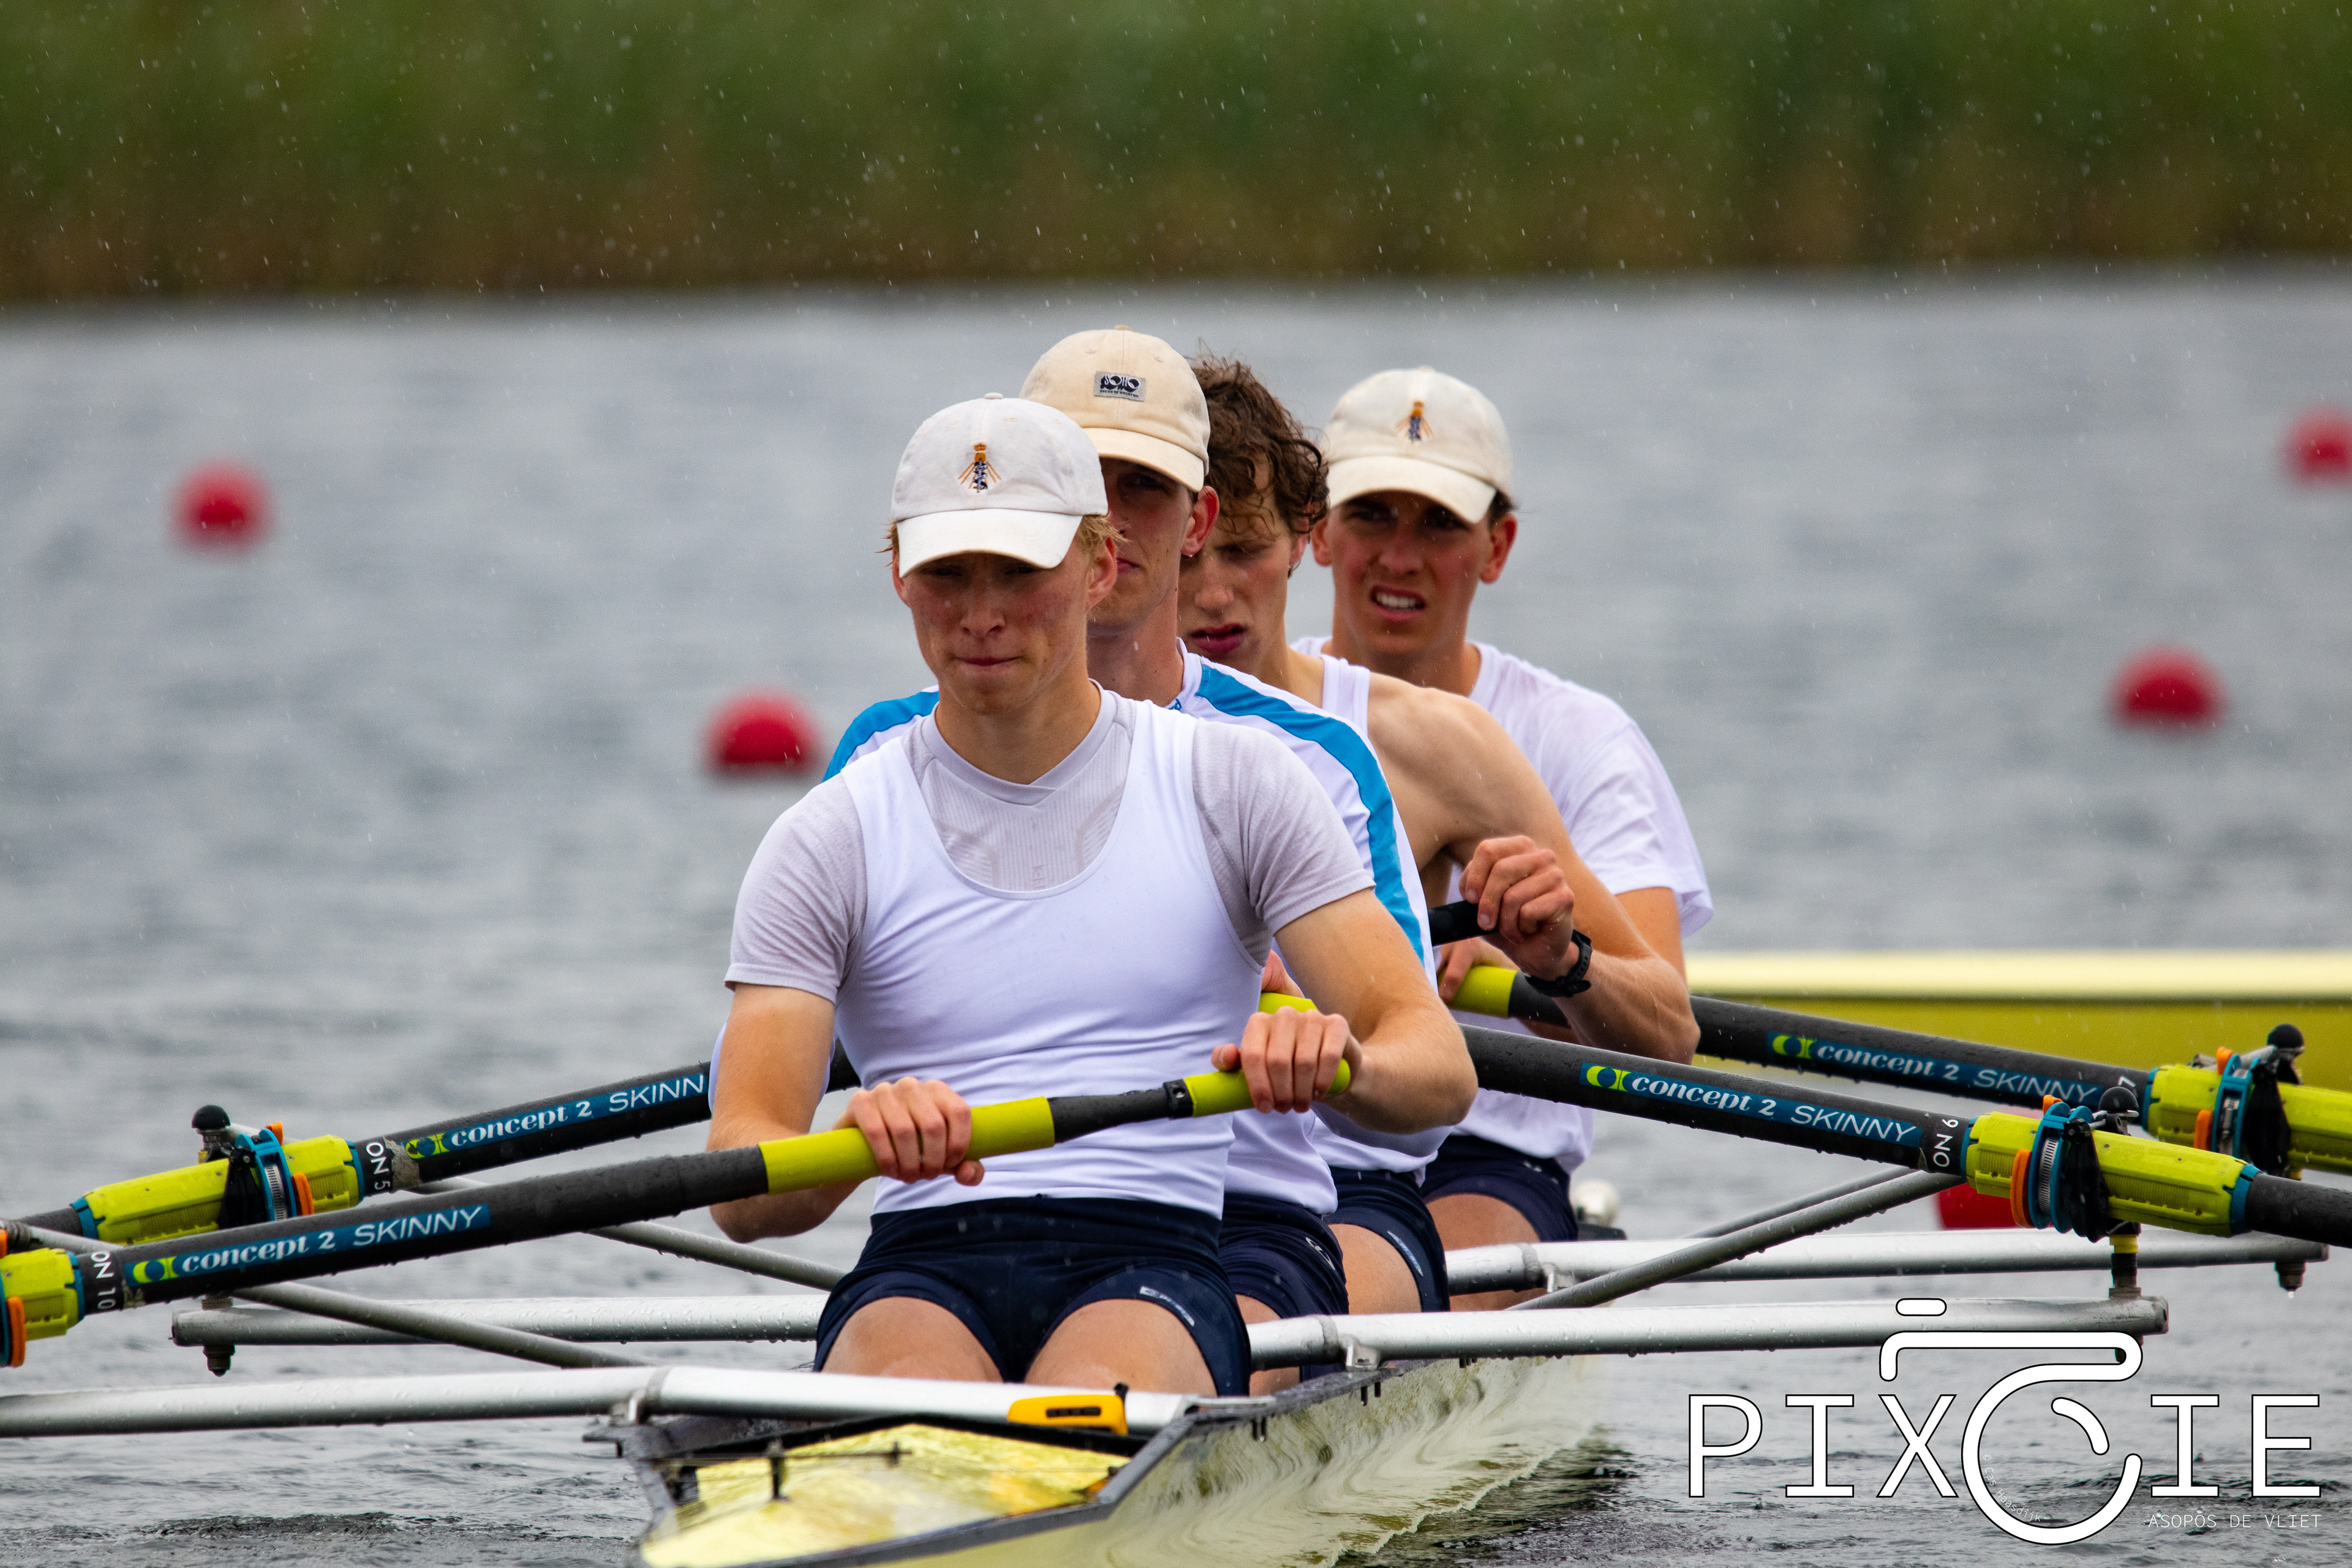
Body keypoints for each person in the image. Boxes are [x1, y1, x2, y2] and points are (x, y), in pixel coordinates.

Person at [823, 330, 1559, 1377]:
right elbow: (762, 1107)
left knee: (1197, 1361)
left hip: (1266, 1208)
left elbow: (1413, 1104)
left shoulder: (1294, 761)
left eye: (1143, 487)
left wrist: (1324, 1047)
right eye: (1083, 480)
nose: (1112, 518)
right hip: (968, 1219)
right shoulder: (880, 761)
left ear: (1198, 520)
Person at [1179, 356, 1700, 1311]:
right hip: (1201, 1150)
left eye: (1438, 524)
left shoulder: (1505, 743)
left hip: (1467, 1151)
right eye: (1374, 516)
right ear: (1325, 533)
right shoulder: (1097, 733)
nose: (1400, 556)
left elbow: (1670, 1034)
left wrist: (1552, 964)